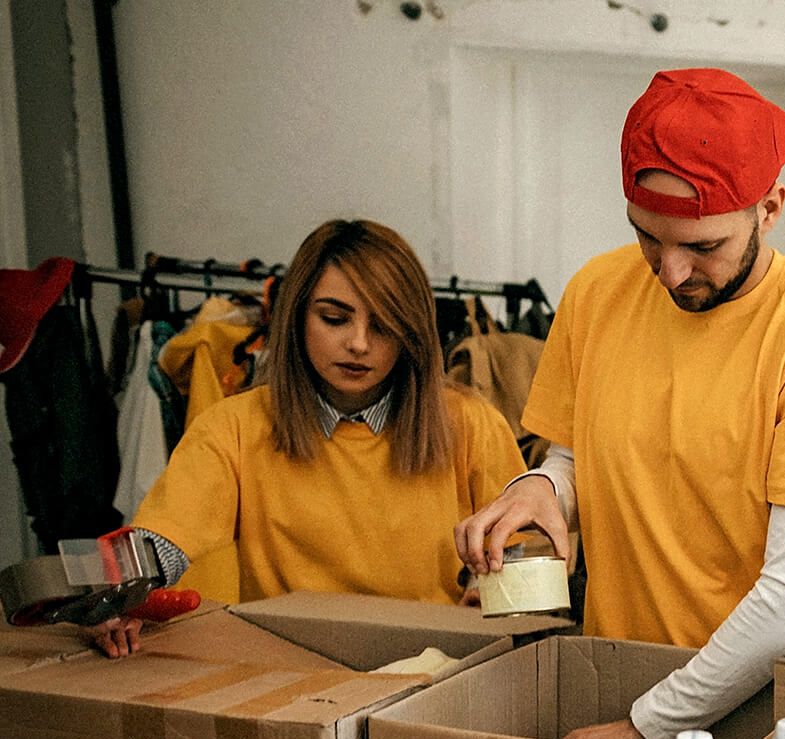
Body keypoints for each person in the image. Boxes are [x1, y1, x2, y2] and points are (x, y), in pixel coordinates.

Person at [455, 69, 785, 739]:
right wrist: (538, 489)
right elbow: (574, 456)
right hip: (619, 679)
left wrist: (648, 726)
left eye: (702, 246)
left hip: (773, 723)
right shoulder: (597, 293)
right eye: (648, 237)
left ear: (768, 209)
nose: (670, 271)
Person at [87, 219, 526, 657]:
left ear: (411, 333)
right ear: (297, 316)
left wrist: (496, 591)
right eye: (334, 318)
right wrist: (116, 594)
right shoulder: (234, 427)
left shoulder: (471, 424)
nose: (358, 343)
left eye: (384, 326)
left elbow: (526, 551)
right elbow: (165, 534)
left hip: (439, 675)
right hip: (289, 681)